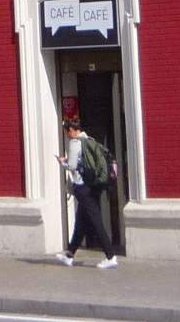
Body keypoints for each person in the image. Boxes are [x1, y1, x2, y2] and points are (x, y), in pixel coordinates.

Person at [53, 115, 119, 269]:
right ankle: (69, 255)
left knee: (96, 221)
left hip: (83, 188)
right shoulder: (89, 140)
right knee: (81, 222)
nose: (66, 135)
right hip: (92, 186)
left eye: (66, 132)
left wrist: (63, 163)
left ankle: (110, 256)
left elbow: (72, 166)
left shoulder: (75, 143)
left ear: (71, 130)